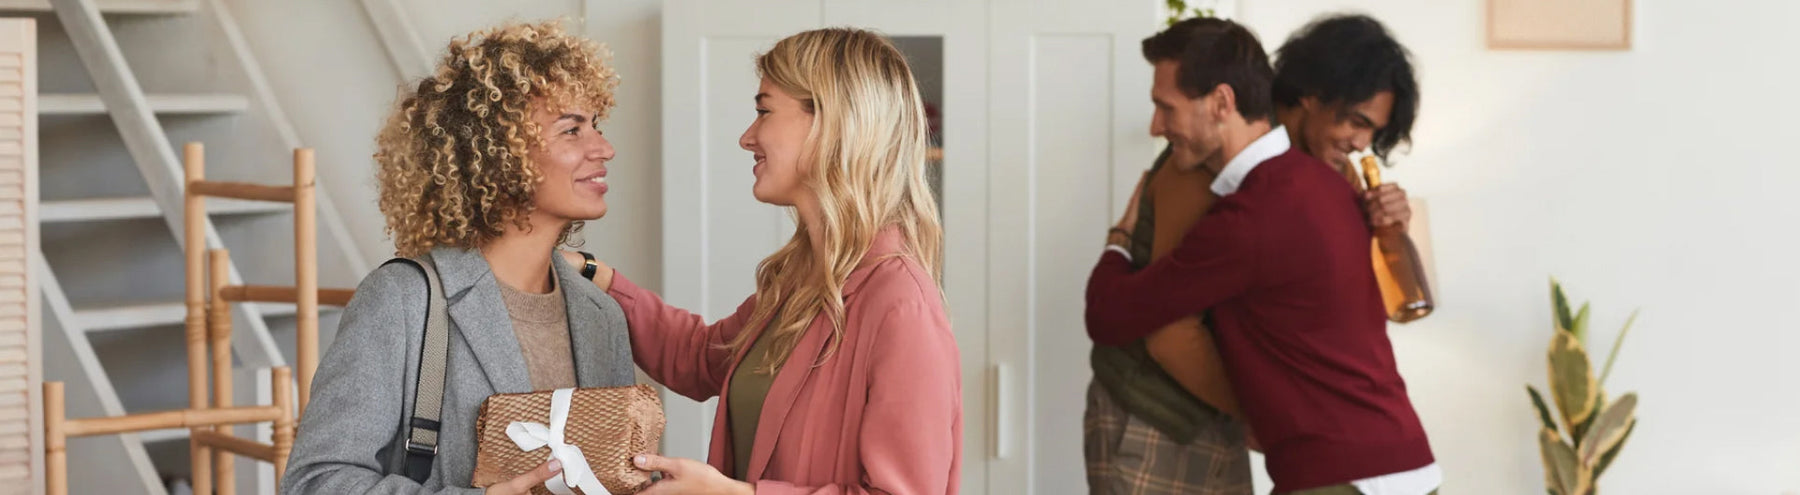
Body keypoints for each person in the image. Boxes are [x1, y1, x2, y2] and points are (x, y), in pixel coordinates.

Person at [571, 28, 961, 494]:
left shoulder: (900, 303)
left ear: (832, 122)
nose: (746, 137)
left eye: (764, 111)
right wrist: (595, 274)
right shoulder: (802, 279)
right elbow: (700, 358)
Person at [1083, 17, 1438, 495]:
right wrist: (1264, 415)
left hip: (1251, 424)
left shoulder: (1327, 176)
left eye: (1371, 132)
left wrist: (1393, 231)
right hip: (1158, 411)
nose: (1360, 143)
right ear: (1313, 95)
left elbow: (1366, 307)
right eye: (1355, 121)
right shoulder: (1200, 163)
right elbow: (1166, 333)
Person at [282, 20, 635, 494]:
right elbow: (313, 482)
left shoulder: (602, 317)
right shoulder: (403, 300)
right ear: (497, 153)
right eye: (571, 129)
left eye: (596, 126)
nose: (604, 149)